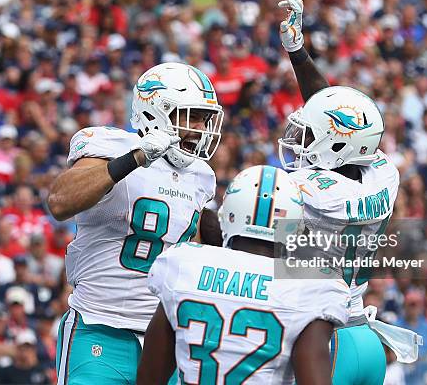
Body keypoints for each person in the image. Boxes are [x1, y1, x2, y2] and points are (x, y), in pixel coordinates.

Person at [275, 0, 420, 384]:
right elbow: (333, 115)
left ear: (336, 147)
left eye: (309, 136)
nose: (301, 141)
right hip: (363, 341)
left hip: (321, 342)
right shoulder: (383, 173)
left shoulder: (304, 188)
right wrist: (298, 52)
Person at [47, 62, 223, 384]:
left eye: (204, 118)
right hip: (99, 326)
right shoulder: (110, 145)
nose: (200, 128)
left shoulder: (201, 176)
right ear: (158, 111)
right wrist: (134, 159)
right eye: (192, 116)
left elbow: (186, 246)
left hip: (164, 335)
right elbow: (60, 202)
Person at [138, 165, 350, 385]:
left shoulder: (184, 265)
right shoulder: (311, 287)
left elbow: (148, 379)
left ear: (228, 214)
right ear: (293, 226)